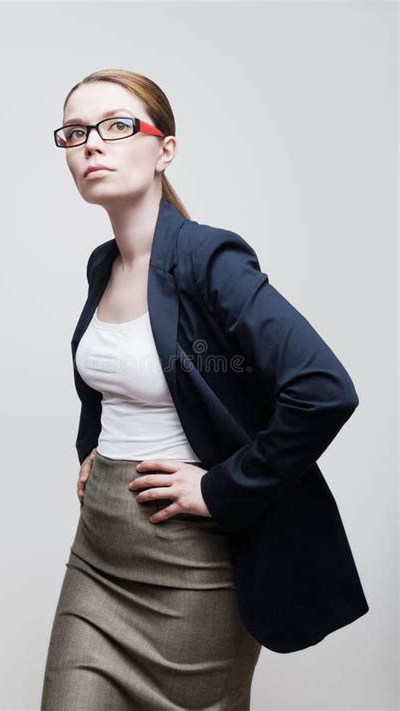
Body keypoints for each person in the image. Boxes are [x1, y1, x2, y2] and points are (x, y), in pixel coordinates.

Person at [40, 68, 368, 710]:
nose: (91, 145)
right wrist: (95, 451)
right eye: (76, 132)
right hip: (98, 556)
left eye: (116, 126)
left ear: (165, 149)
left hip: (192, 568)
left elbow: (324, 389)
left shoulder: (209, 259)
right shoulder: (103, 265)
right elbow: (110, 382)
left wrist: (220, 488)